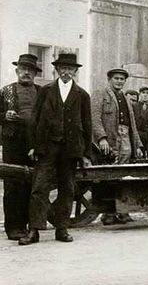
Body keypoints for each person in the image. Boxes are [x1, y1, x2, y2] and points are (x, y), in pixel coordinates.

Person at [19, 53, 92, 245]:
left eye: (70, 69)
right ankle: (34, 231)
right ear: (57, 70)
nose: (66, 72)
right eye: (62, 68)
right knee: (39, 188)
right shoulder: (46, 90)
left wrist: (86, 154)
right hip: (47, 147)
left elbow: (87, 124)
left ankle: (62, 229)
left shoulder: (82, 95)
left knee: (67, 189)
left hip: (70, 149)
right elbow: (34, 120)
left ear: (75, 71)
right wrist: (33, 146)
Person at [91, 68, 144, 225]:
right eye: (116, 78)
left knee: (124, 175)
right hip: (110, 139)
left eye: (122, 79)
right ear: (109, 79)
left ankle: (122, 211)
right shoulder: (100, 93)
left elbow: (132, 124)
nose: (119, 81)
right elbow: (94, 118)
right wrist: (102, 139)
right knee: (109, 175)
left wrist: (138, 145)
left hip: (125, 137)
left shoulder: (125, 98)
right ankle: (108, 213)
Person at [0, 54, 41, 240]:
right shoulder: (6, 91)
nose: (26, 73)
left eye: (30, 70)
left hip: (34, 143)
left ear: (35, 74)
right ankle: (14, 228)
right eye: (23, 69)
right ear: (17, 71)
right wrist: (4, 115)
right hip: (13, 143)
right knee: (13, 186)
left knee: (32, 185)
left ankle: (29, 226)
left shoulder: (42, 92)